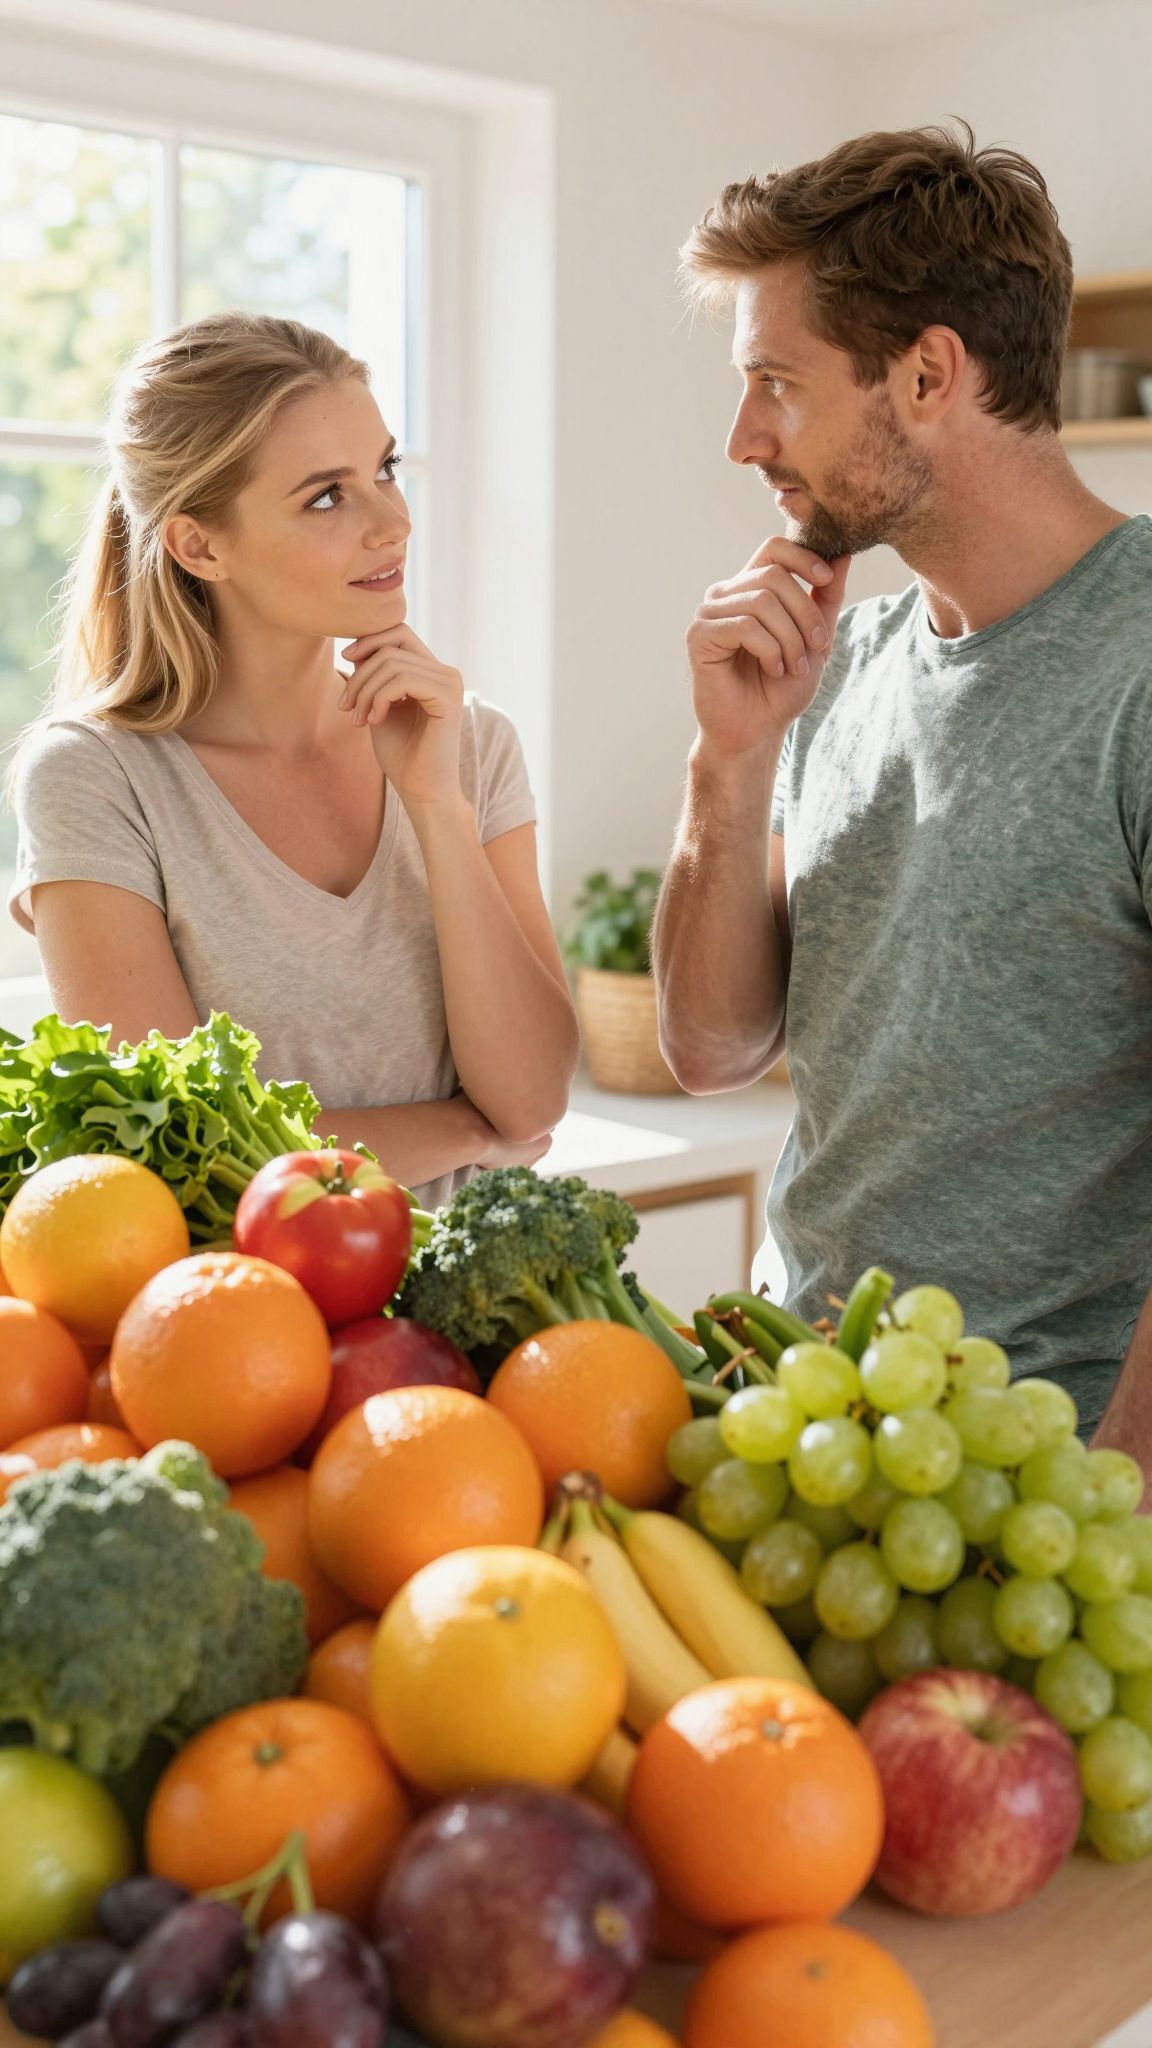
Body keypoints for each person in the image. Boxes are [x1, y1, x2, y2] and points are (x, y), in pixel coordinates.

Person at [652, 122, 1152, 1488]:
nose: (744, 436)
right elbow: (707, 1045)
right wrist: (729, 759)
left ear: (929, 372)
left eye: (776, 382)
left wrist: (1119, 1505)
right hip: (798, 1431)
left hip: (1033, 1475)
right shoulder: (845, 664)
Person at [8, 312, 579, 1209]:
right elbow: (180, 1144)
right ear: (200, 545)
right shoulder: (96, 780)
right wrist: (461, 1131)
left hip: (475, 1337)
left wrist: (436, 805)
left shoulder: (467, 745)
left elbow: (534, 1095)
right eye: (326, 496)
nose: (391, 521)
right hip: (241, 1330)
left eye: (384, 469)